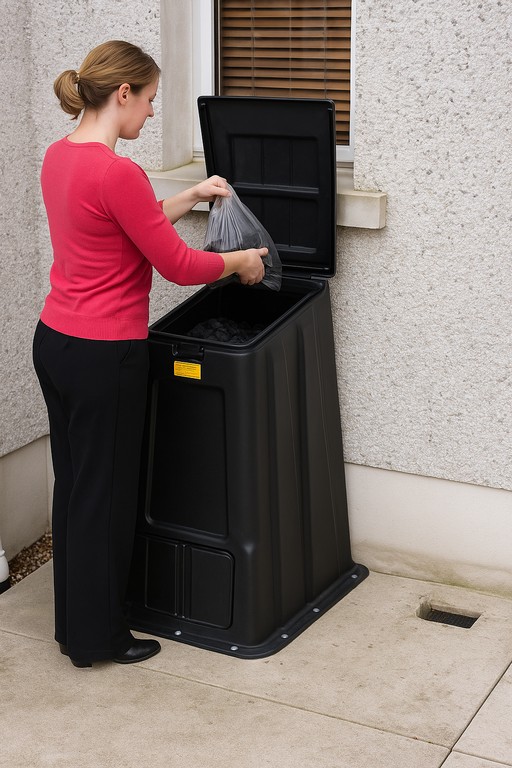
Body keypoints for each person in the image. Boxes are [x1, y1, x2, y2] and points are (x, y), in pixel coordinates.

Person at [32, 40, 267, 669]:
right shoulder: (118, 172)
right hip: (105, 353)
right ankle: (98, 639)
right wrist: (241, 261)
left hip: (56, 342)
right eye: (151, 100)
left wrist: (191, 196)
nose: (152, 113)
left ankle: (74, 625)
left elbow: (122, 223)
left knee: (76, 489)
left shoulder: (60, 156)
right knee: (105, 497)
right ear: (124, 94)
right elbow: (179, 264)